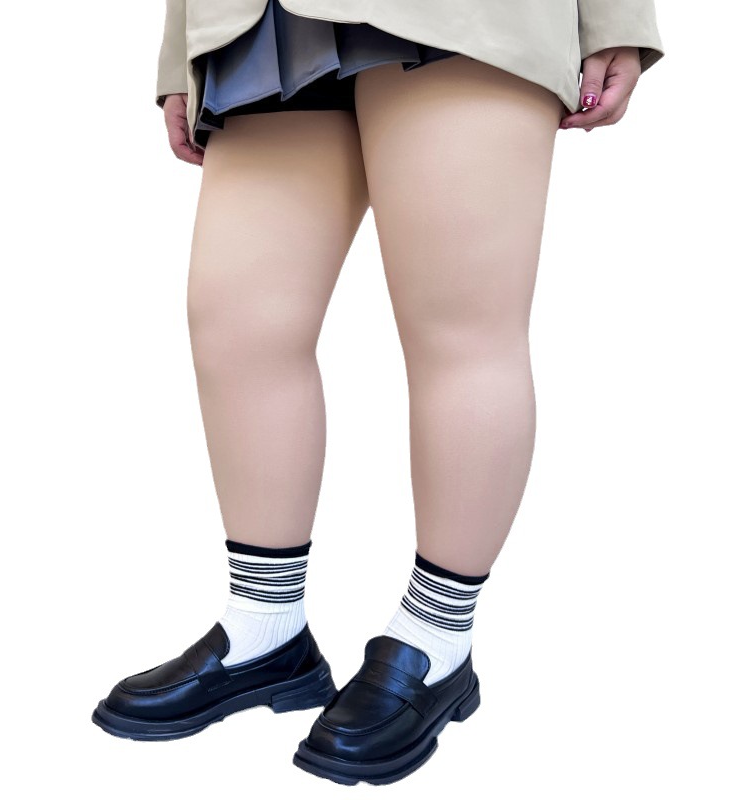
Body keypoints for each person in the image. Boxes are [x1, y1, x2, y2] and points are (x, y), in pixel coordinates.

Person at [91, 0, 666, 786]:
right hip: (262, 20)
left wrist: (615, 19)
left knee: (459, 326)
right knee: (237, 324)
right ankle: (266, 628)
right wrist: (182, 48)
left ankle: (436, 640)